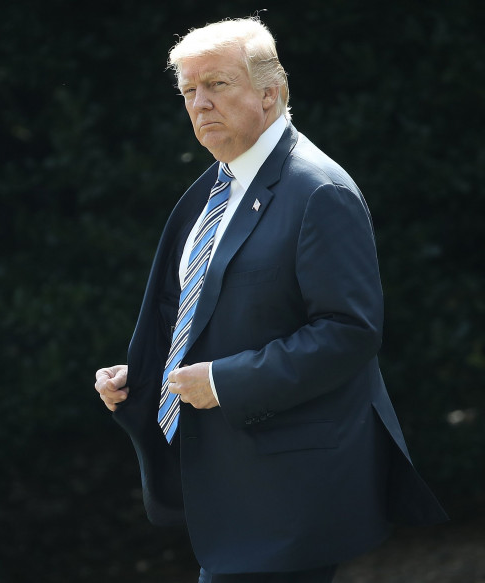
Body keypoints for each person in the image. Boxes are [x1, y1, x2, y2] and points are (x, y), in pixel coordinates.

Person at [94, 17, 447, 583]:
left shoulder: (320, 191)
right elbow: (198, 316)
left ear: (271, 91)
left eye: (217, 84)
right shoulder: (213, 188)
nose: (200, 104)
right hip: (230, 488)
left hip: (286, 499)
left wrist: (223, 383)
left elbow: (348, 332)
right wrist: (144, 374)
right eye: (188, 90)